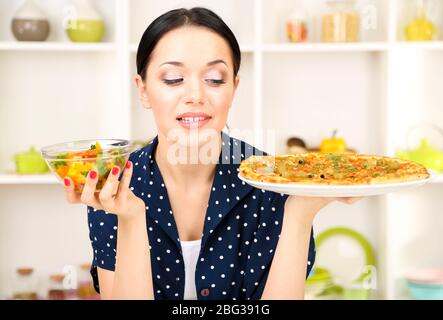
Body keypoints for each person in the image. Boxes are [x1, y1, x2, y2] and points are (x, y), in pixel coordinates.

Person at [63, 7, 361, 300]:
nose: (195, 95)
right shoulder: (113, 186)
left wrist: (299, 213)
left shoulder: (276, 184)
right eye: (173, 79)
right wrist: (130, 219)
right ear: (142, 90)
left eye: (215, 79)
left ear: (234, 87)